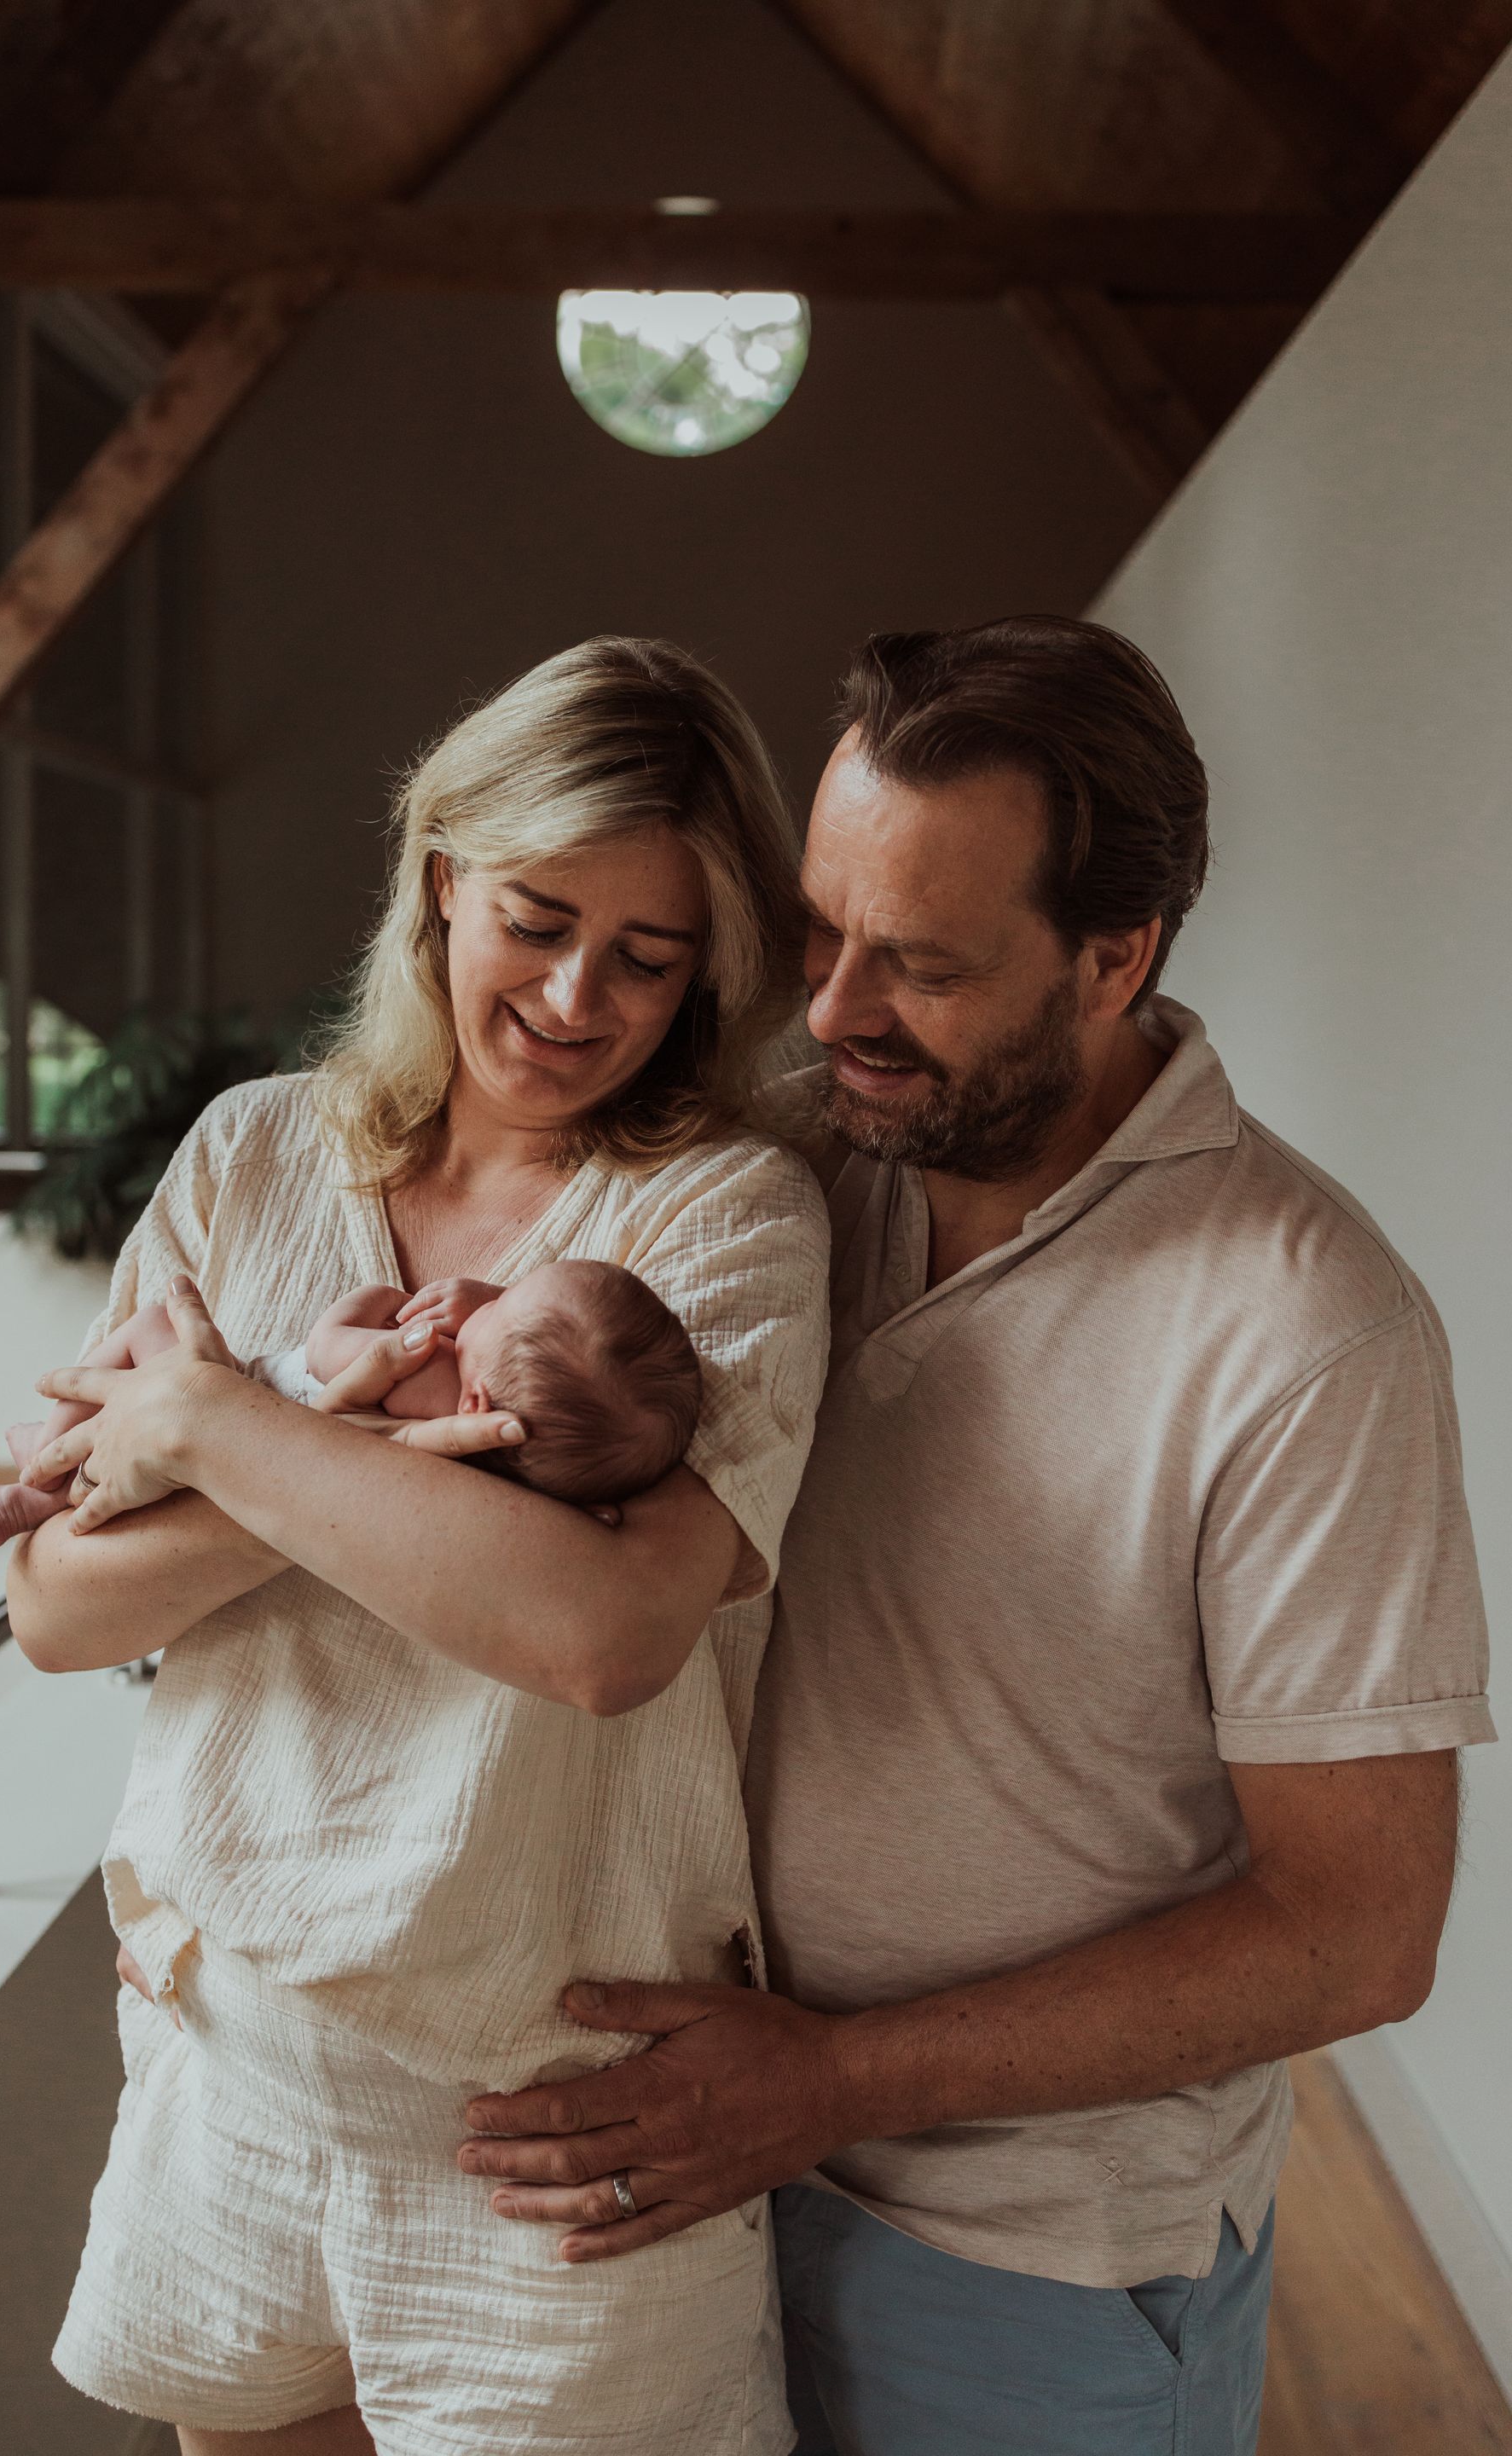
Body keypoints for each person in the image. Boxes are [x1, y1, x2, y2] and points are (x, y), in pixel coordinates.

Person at [455, 617, 1494, 2456]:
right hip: (679, 2167)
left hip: (1035, 2280)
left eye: (920, 964)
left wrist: (833, 2082)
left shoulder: (1310, 1328)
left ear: (1116, 958)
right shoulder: (776, 1171)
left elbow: (1360, 1933)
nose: (836, 1009)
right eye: (820, 932)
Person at [5, 636, 831, 2456]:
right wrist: (372, 1473)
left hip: (557, 2107)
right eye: (534, 917)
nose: (572, 994)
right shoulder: (246, 1160)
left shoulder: (722, 1212)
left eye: (648, 954)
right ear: (442, 876)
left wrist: (229, 1426)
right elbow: (56, 1603)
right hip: (241, 2056)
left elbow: (603, 1634)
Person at [0, 1255, 704, 1543]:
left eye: (504, 1302)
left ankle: (42, 1466)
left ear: (476, 1401)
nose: (488, 1297)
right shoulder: (504, 1471)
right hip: (223, 1464)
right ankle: (35, 1498)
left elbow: (331, 1347)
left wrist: (380, 1299)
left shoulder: (425, 1369)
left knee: (154, 1327)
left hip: (233, 1403)